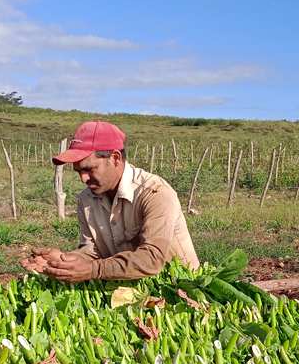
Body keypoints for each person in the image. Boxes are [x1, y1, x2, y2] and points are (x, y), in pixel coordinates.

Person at [20, 120, 199, 282]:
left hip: (180, 287)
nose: (83, 178)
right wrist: (62, 261)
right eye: (78, 172)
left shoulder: (155, 193)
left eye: (89, 169)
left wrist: (93, 270)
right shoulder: (86, 198)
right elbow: (92, 250)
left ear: (114, 158)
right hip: (128, 288)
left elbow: (151, 260)